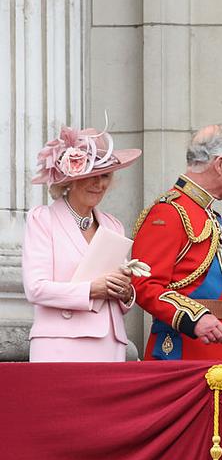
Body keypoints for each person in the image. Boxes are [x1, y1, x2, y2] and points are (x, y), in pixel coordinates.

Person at [131, 125, 222, 361]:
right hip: (183, 353)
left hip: (219, 353)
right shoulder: (169, 212)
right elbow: (145, 285)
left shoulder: (213, 218)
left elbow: (218, 293)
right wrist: (193, 319)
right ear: (220, 164)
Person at [22, 124, 140, 361]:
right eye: (90, 176)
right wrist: (90, 290)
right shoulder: (43, 219)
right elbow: (35, 288)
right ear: (69, 180)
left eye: (104, 176)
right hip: (60, 344)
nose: (99, 184)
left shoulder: (113, 224)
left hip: (110, 344)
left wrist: (126, 293)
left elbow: (118, 290)